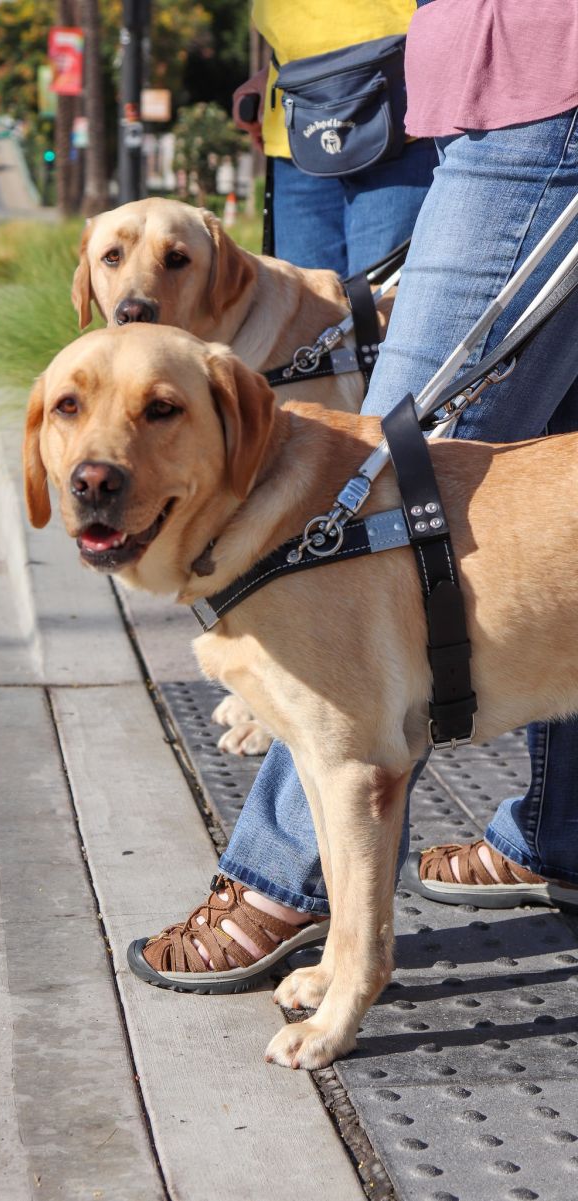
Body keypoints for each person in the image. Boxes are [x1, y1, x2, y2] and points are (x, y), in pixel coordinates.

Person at [128, 0, 578, 993]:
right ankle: (565, 831)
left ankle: (284, 878)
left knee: (374, 482)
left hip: (538, 90)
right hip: (487, 84)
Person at [233, 0, 437, 274]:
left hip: (400, 116)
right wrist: (272, 68)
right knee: (303, 299)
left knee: (383, 297)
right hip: (297, 119)